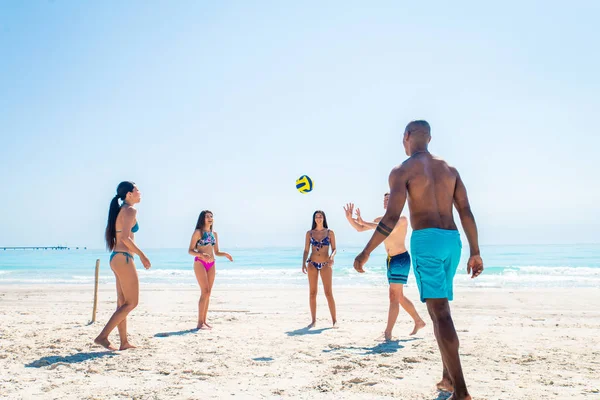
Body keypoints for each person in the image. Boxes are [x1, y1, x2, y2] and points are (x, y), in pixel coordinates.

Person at [353, 120, 484, 400]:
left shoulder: (402, 170)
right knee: (442, 311)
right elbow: (466, 211)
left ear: (407, 137)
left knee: (440, 314)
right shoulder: (450, 169)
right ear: (430, 138)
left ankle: (461, 392)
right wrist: (475, 250)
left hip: (426, 240)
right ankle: (448, 378)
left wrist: (366, 252)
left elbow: (390, 217)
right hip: (453, 241)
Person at [344, 194, 425, 340]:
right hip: (390, 260)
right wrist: (350, 218)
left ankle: (388, 332)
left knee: (394, 296)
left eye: (390, 199)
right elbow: (360, 228)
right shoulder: (378, 220)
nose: (387, 201)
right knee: (398, 296)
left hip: (401, 259)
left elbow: (387, 229)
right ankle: (418, 321)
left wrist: (365, 222)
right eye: (385, 200)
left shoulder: (402, 219)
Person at [95, 181, 151, 351]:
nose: (140, 192)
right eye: (137, 190)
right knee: (132, 303)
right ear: (128, 194)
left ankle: (124, 342)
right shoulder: (130, 210)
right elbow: (126, 239)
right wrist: (142, 256)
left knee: (122, 304)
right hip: (124, 258)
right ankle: (102, 337)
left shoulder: (122, 210)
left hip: (117, 258)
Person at [188, 210, 233, 330]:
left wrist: (225, 254)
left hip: (212, 264)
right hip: (200, 263)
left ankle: (204, 321)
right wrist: (202, 255)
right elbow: (190, 250)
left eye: (211, 216)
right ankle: (199, 322)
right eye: (207, 216)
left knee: (208, 293)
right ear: (202, 219)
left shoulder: (214, 234)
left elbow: (216, 252)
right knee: (205, 291)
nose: (210, 218)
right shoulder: (198, 232)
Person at [301, 210, 337, 328]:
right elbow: (306, 250)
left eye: (320, 216)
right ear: (314, 219)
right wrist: (303, 263)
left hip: (326, 264)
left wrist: (332, 257)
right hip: (312, 263)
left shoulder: (330, 232)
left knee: (328, 293)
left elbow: (334, 248)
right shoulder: (309, 233)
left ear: (324, 218)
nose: (318, 218)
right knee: (312, 293)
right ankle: (313, 321)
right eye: (316, 217)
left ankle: (334, 321)